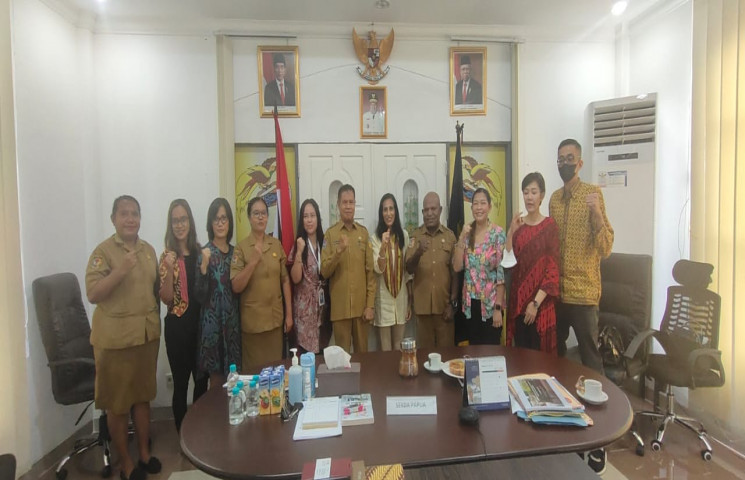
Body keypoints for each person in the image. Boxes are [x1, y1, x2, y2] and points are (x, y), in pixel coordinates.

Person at [549, 138, 614, 475]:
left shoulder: (593, 194)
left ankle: (600, 439)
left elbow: (606, 247)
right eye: (560, 158)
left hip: (585, 295)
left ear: (581, 162)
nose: (565, 163)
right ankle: (566, 427)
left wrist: (597, 215)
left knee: (592, 366)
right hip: (558, 295)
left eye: (570, 158)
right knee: (557, 363)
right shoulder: (553, 200)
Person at [86, 195, 161, 480]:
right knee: (117, 406)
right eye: (124, 213)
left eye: (135, 213)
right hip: (115, 342)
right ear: (113, 219)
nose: (130, 219)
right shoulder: (103, 252)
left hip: (145, 337)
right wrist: (120, 271)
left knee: (142, 398)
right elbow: (93, 294)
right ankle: (126, 464)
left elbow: (155, 291)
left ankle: (144, 454)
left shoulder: (148, 250)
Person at [158, 199, 208, 433]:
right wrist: (169, 270)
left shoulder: (199, 252)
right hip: (177, 330)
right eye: (175, 221)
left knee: (201, 381)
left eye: (183, 219)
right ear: (171, 225)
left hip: (200, 328)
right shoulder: (167, 256)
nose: (179, 225)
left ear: (190, 222)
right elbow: (166, 298)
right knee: (180, 384)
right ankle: (182, 434)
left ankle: (197, 431)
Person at [231, 197, 293, 369]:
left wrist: (289, 314)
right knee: (255, 375)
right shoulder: (241, 248)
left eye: (263, 213)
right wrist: (252, 263)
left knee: (276, 371)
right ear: (249, 218)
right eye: (256, 213)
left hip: (275, 321)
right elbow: (236, 286)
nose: (260, 217)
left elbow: (285, 280)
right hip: (253, 325)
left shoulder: (276, 245)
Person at [502, 173, 560, 353]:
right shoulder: (519, 226)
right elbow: (508, 262)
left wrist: (535, 304)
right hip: (519, 303)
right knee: (520, 357)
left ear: (542, 195)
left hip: (540, 304)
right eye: (526, 192)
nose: (529, 197)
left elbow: (552, 270)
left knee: (540, 360)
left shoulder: (550, 226)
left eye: (533, 192)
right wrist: (511, 232)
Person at [320, 185, 375, 353]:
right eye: (344, 202)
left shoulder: (363, 234)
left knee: (363, 358)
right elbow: (324, 271)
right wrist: (338, 252)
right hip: (340, 311)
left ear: (355, 204)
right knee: (341, 360)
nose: (348, 206)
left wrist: (370, 305)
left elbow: (370, 274)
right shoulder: (330, 234)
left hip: (361, 310)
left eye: (351, 202)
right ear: (338, 205)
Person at [194, 198, 241, 390]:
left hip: (233, 326)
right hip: (212, 327)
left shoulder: (236, 253)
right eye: (216, 219)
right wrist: (203, 268)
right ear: (210, 223)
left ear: (229, 222)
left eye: (224, 218)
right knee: (216, 385)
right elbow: (199, 295)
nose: (220, 223)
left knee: (235, 382)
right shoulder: (205, 253)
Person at [452, 188, 505, 345]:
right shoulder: (467, 232)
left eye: (483, 203)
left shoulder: (498, 234)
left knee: (491, 353)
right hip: (470, 306)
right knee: (473, 353)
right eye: (475, 204)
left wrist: (498, 308)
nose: (479, 207)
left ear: (489, 206)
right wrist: (461, 237)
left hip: (490, 306)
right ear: (471, 207)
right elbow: (457, 267)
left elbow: (501, 274)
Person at [405, 192, 458, 348]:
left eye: (433, 209)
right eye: (426, 210)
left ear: (440, 210)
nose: (429, 213)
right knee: (424, 356)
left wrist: (453, 304)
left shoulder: (450, 237)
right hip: (422, 311)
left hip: (444, 309)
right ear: (422, 212)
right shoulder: (415, 237)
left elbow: (455, 273)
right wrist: (418, 252)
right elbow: (409, 269)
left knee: (447, 355)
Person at [371, 194, 412, 351]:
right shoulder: (375, 238)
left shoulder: (404, 236)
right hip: (383, 300)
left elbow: (407, 272)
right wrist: (383, 246)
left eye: (391, 209)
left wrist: (409, 303)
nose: (388, 213)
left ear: (396, 211)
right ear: (381, 213)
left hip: (401, 298)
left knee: (399, 346)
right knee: (385, 348)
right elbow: (378, 268)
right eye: (385, 210)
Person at [288, 199, 329, 354]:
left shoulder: (325, 243)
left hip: (322, 308)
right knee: (306, 357)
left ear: (318, 218)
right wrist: (299, 252)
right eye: (306, 216)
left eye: (313, 215)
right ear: (302, 220)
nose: (309, 220)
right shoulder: (299, 244)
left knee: (321, 354)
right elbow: (295, 278)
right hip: (304, 311)